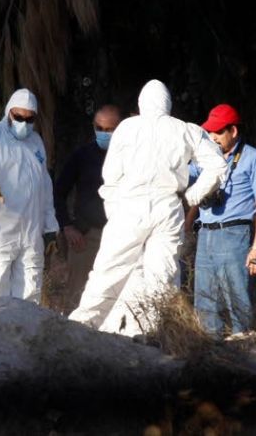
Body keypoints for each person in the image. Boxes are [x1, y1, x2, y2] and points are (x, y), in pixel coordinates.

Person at [68, 79, 228, 337]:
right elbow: (218, 166)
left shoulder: (127, 128)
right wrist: (192, 195)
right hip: (169, 206)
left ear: (142, 103)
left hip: (130, 206)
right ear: (168, 104)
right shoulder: (185, 129)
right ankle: (151, 334)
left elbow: (111, 177)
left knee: (109, 269)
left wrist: (115, 211)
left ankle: (82, 328)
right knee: (162, 275)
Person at [186, 104, 256, 338]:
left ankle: (246, 351)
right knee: (204, 301)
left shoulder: (254, 157)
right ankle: (208, 355)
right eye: (209, 131)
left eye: (218, 131)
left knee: (238, 301)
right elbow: (195, 193)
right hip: (205, 235)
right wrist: (186, 227)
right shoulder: (203, 159)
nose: (212, 137)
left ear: (233, 131)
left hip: (235, 235)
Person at [0, 88, 59, 303]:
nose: (23, 123)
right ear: (9, 112)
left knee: (30, 293)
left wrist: (50, 227)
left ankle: (26, 337)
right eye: (18, 117)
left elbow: (44, 186)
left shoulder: (36, 142)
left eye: (29, 119)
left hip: (31, 232)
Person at [53, 104, 122, 314]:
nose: (104, 133)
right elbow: (58, 192)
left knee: (116, 297)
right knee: (77, 297)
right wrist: (67, 226)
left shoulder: (132, 156)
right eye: (99, 128)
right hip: (86, 238)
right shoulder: (82, 155)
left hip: (121, 238)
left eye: (109, 129)